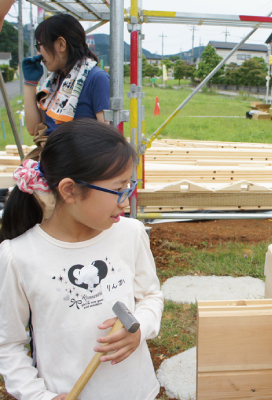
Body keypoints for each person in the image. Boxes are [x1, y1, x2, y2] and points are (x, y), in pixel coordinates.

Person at [0, 119, 164, 400]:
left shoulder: (130, 234)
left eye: (130, 186)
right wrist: (39, 396)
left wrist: (140, 327)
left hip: (137, 392)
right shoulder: (19, 257)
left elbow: (151, 296)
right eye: (118, 189)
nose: (126, 201)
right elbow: (9, 345)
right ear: (69, 190)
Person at [21, 14, 110, 159]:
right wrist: (29, 84)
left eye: (40, 46)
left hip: (80, 166)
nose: (39, 54)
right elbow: (33, 128)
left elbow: (107, 136)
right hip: (54, 162)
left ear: (61, 44)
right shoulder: (55, 82)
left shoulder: (96, 78)